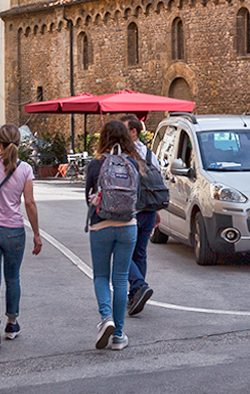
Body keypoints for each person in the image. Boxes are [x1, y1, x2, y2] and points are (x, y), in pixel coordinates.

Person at [0, 124, 41, 350]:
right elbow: (30, 203)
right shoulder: (25, 169)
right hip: (15, 230)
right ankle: (12, 323)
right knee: (13, 278)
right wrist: (36, 233)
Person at [84, 119, 140, 352]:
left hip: (100, 225)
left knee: (100, 276)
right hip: (128, 225)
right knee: (120, 278)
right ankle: (118, 334)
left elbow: (87, 196)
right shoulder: (132, 164)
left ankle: (106, 317)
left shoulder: (96, 165)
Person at [122, 116, 159, 317]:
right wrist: (158, 211)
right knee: (141, 253)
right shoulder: (151, 154)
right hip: (150, 210)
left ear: (133, 132)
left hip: (133, 211)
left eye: (125, 130)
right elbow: (156, 182)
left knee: (122, 252)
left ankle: (139, 286)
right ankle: (135, 295)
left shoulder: (126, 154)